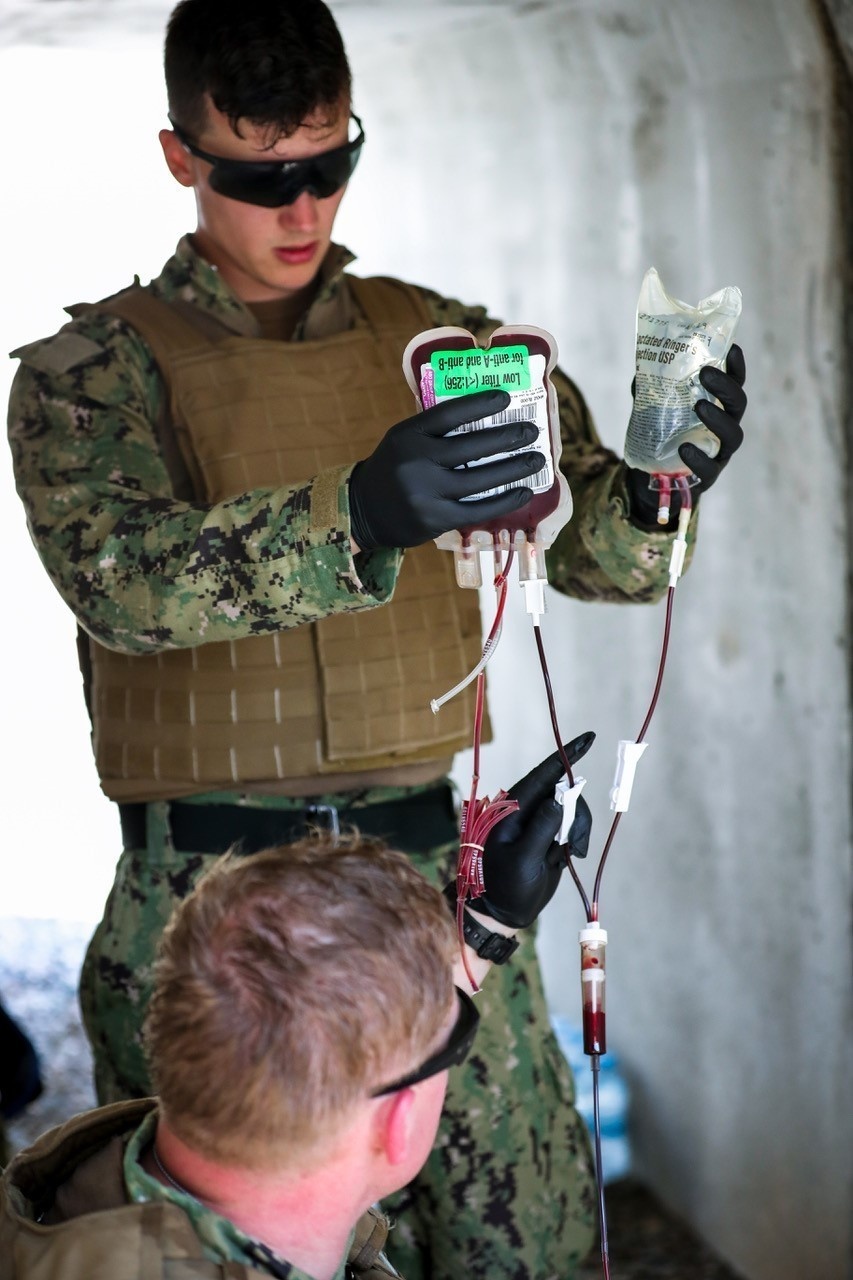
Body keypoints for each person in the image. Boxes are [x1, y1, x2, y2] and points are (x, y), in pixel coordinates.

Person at [5, 1, 747, 1275]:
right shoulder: (90, 373)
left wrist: (658, 490)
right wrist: (359, 510)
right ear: (181, 156)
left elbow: (592, 561)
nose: (302, 210)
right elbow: (117, 581)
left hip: (438, 900)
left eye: (329, 164)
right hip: (208, 924)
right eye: (260, 176)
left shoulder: (444, 341)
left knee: (530, 1249)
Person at [0, 742, 594, 1280]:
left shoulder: (96, 1194)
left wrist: (482, 920)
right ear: (398, 1122)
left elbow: (300, 1003)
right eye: (450, 1035)